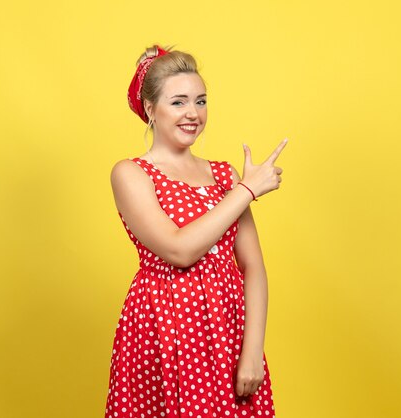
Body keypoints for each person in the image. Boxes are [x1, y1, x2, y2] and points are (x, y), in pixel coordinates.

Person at [105, 44, 288, 418]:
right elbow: (179, 250)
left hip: (227, 332)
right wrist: (248, 191)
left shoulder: (224, 176)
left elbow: (252, 266)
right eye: (179, 102)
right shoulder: (131, 173)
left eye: (201, 101)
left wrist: (252, 351)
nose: (193, 113)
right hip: (163, 329)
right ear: (150, 109)